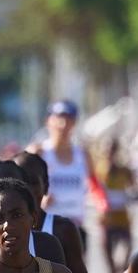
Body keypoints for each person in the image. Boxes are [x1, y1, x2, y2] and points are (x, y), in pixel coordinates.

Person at [30, 100, 93, 250]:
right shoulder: (39, 152)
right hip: (46, 225)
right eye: (59, 118)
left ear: (75, 123)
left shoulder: (83, 154)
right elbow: (19, 185)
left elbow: (94, 183)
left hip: (75, 225)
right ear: (48, 121)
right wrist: (38, 199)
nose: (63, 125)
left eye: (69, 119)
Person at [99, 138, 135, 273]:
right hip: (107, 216)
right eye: (108, 150)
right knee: (107, 248)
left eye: (113, 149)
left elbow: (133, 184)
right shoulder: (100, 169)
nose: (110, 153)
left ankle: (122, 267)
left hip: (122, 215)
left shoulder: (123, 169)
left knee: (128, 244)